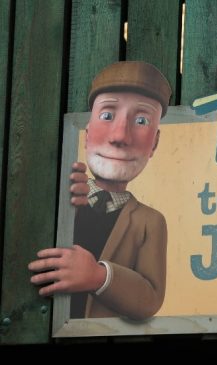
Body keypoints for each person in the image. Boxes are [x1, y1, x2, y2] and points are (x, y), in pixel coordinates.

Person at [28, 61, 170, 320]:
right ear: (87, 130)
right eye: (107, 116)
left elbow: (150, 297)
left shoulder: (150, 222)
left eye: (141, 120)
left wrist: (98, 276)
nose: (120, 136)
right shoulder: (60, 197)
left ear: (155, 143)